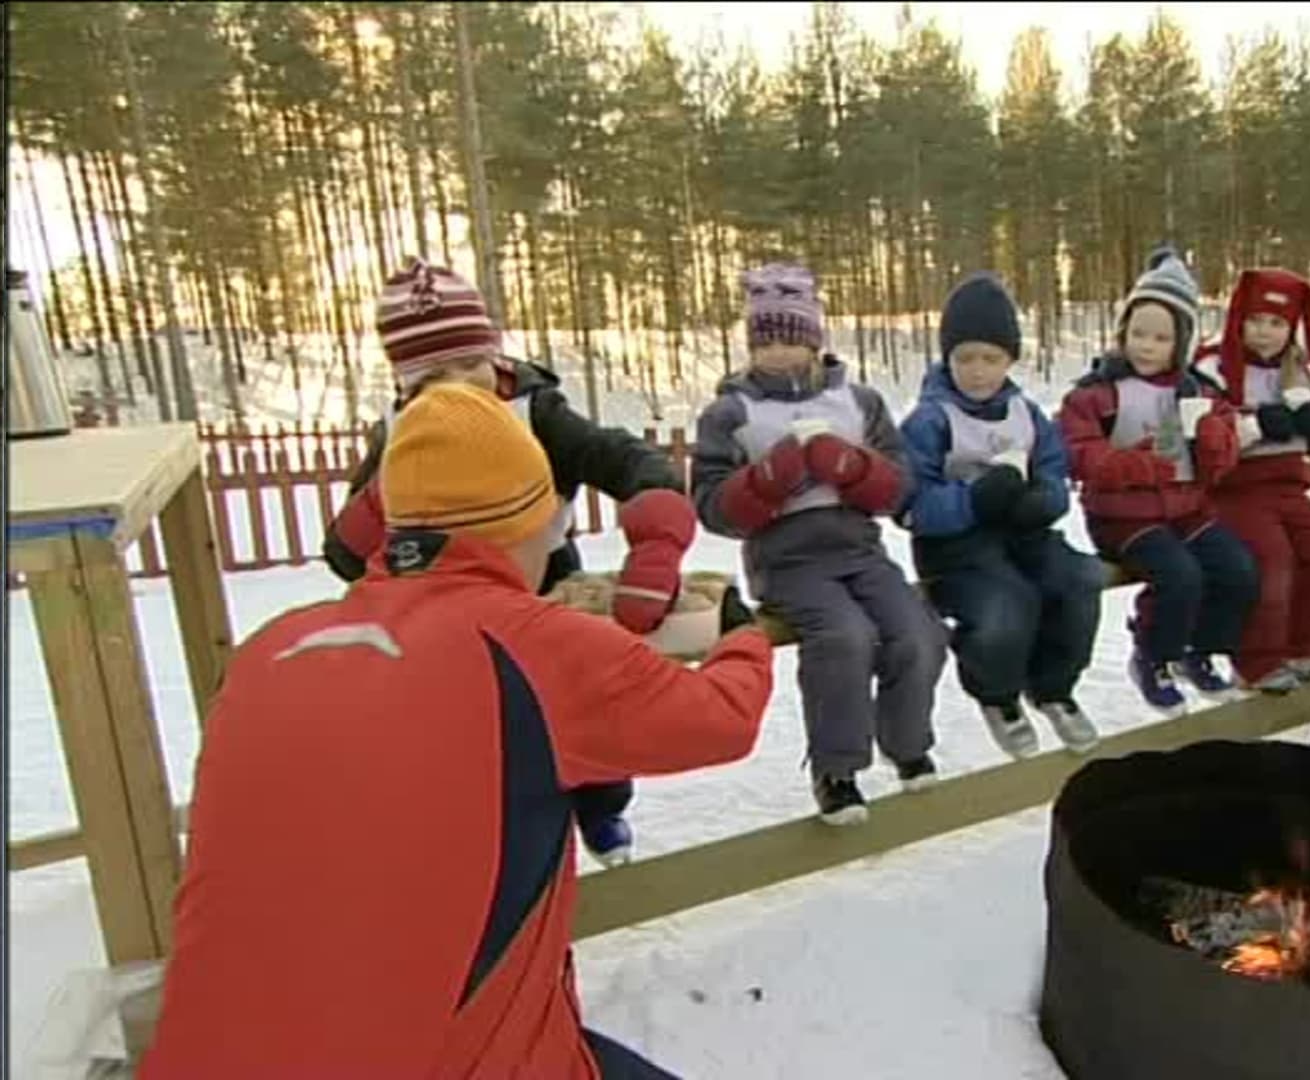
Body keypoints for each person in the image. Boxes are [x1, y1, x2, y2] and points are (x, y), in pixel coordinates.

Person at [144, 381, 775, 1079]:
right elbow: (722, 719)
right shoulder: (535, 645)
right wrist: (741, 638)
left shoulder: (268, 651)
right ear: (527, 527)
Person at [322, 257, 691, 868]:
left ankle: (601, 805)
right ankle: (491, 825)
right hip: (446, 597)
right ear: (404, 383)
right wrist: (381, 499)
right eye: (434, 375)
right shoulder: (402, 433)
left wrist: (656, 540)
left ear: (494, 355)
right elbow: (345, 554)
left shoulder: (535, 411)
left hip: (544, 573)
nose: (460, 385)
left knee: (586, 692)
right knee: (486, 718)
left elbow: (628, 461)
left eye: (471, 363)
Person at [690, 262, 948, 825]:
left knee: (918, 632)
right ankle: (837, 771)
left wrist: (854, 467)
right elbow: (710, 507)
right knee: (845, 639)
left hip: (860, 550)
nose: (776, 353)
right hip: (788, 561)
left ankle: (907, 745)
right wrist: (767, 479)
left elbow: (899, 488)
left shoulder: (859, 402)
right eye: (764, 342)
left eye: (789, 339)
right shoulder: (731, 413)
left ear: (814, 341)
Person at [899, 272, 1106, 758]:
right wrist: (972, 500)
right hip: (957, 548)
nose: (977, 371)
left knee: (1080, 580)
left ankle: (1054, 687)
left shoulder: (1026, 413)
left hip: (1023, 534)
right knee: (1005, 606)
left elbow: (1054, 472)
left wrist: (1043, 500)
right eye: (965, 358)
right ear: (947, 358)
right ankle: (998, 695)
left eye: (990, 359)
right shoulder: (929, 420)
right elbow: (909, 504)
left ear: (1010, 360)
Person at [1057, 250, 1259, 713]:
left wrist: (1213, 438)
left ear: (1181, 343)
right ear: (1122, 333)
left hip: (1188, 510)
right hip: (1122, 518)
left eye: (1161, 338)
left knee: (1238, 569)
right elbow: (1076, 452)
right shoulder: (1096, 392)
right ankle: (1153, 655)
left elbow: (1224, 457)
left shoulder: (1198, 392)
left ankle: (1200, 649)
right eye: (1138, 333)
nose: (1146, 346)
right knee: (1180, 575)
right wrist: (1132, 465)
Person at [1195, 268, 1310, 694]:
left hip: (1288, 488)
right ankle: (1256, 662)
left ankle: (1304, 647)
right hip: (1234, 489)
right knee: (1272, 560)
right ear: (1238, 319)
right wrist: (1257, 426)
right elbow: (1203, 434)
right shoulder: (1214, 368)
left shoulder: (1299, 371)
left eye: (1276, 323)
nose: (1264, 332)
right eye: (1255, 320)